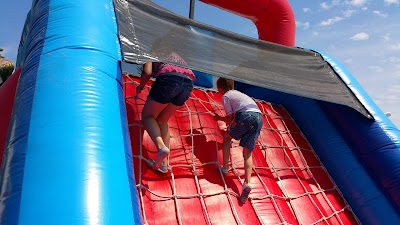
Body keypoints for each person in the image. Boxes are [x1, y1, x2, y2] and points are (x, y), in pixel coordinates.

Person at [136, 51, 196, 173]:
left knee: (148, 116)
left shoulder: (152, 53)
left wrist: (141, 86)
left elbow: (147, 72)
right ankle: (164, 164)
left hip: (169, 79)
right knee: (162, 120)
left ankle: (161, 147)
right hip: (188, 83)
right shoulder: (177, 56)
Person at [214, 77, 262, 203]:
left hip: (245, 116)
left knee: (226, 138)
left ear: (220, 88)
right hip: (258, 117)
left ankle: (225, 168)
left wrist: (219, 118)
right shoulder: (240, 94)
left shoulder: (226, 96)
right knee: (247, 152)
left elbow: (231, 119)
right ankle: (247, 182)